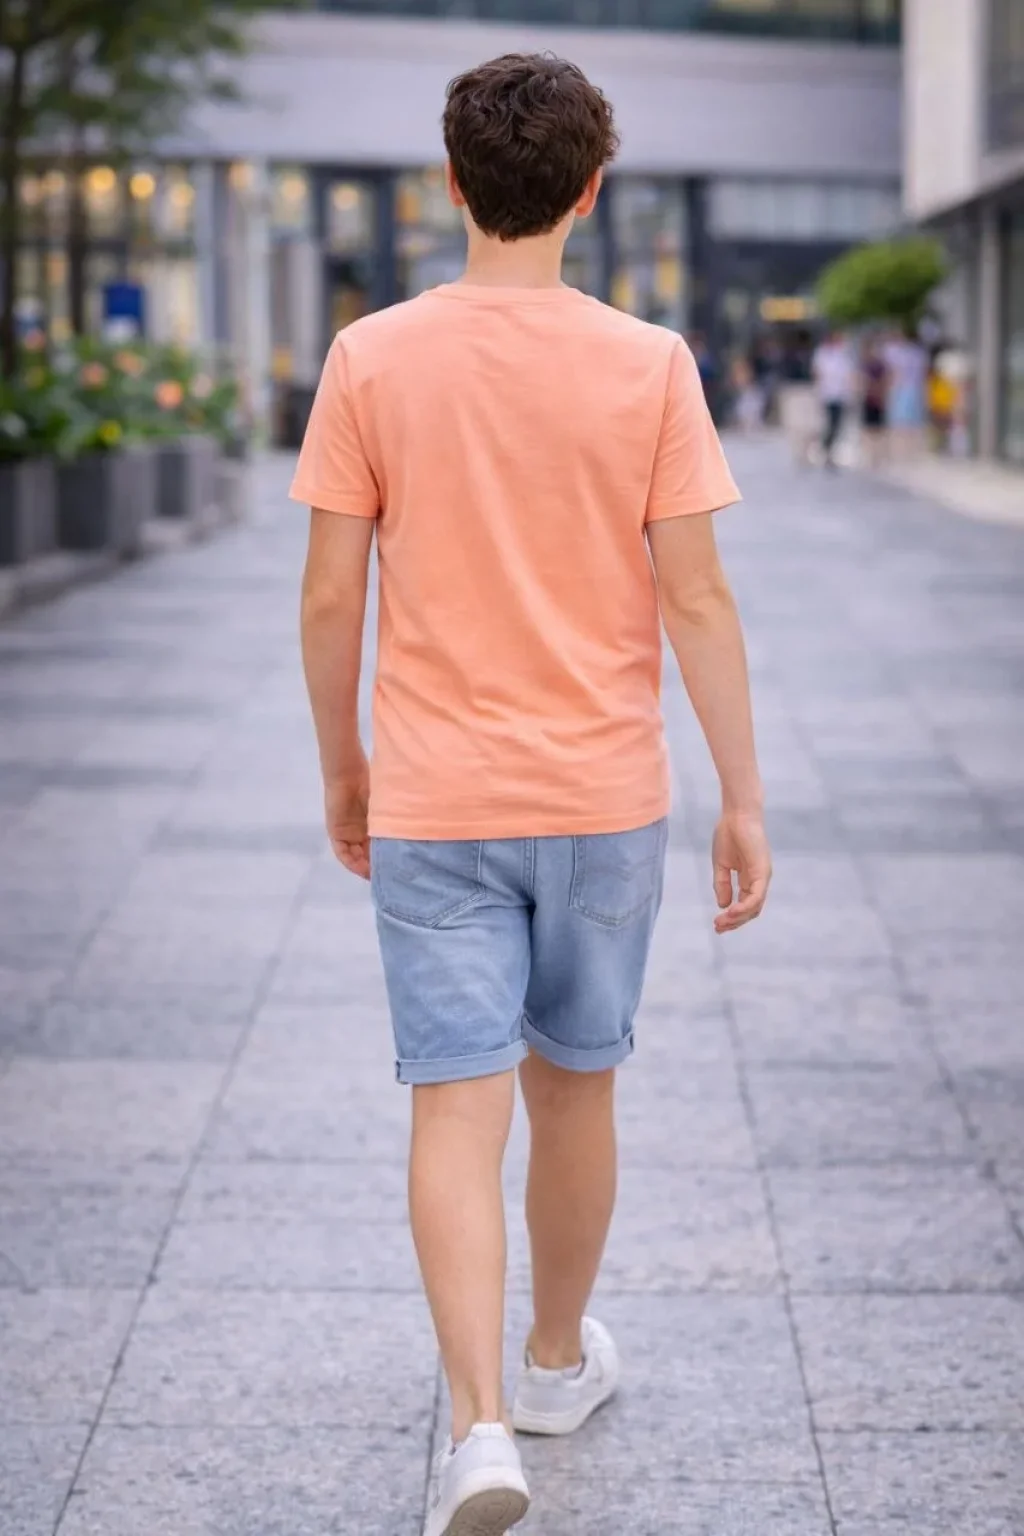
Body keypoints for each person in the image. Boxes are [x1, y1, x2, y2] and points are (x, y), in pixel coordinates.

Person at [292, 52, 771, 1536]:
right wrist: (741, 795)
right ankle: (556, 1362)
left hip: (437, 800)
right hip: (602, 796)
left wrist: (345, 767)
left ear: (451, 183)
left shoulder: (371, 358)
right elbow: (696, 597)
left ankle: (479, 1427)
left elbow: (330, 595)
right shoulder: (651, 363)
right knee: (576, 1086)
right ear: (590, 190)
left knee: (455, 1105)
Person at [811, 329, 856, 469]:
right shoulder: (822, 353)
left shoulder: (844, 354)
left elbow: (849, 374)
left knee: (838, 424)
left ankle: (830, 451)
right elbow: (817, 372)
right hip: (828, 393)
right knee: (830, 423)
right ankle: (825, 450)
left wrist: (850, 392)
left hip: (840, 394)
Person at [882, 326, 929, 459]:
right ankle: (906, 451)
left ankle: (905, 451)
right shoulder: (913, 352)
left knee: (905, 422)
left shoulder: (910, 353)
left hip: (906, 388)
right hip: (906, 388)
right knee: (905, 422)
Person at [860, 336, 889, 468]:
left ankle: (877, 455)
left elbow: (886, 379)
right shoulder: (864, 364)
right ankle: (869, 455)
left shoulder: (880, 365)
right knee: (868, 428)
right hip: (868, 398)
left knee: (878, 428)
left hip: (878, 399)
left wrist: (879, 390)